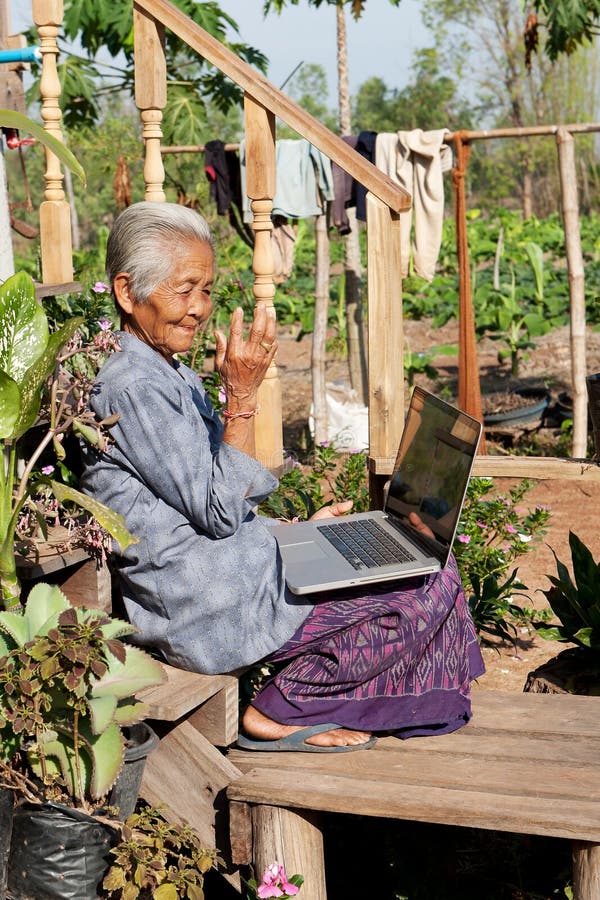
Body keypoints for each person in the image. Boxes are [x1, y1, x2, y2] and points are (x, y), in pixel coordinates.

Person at [81, 201, 484, 753]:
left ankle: (331, 694)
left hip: (233, 572)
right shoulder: (132, 386)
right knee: (424, 579)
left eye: (207, 290)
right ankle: (286, 705)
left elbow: (211, 499)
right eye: (186, 290)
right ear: (127, 293)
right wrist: (242, 399)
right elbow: (219, 512)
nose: (200, 308)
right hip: (208, 604)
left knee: (421, 553)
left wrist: (293, 533)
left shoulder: (160, 370)